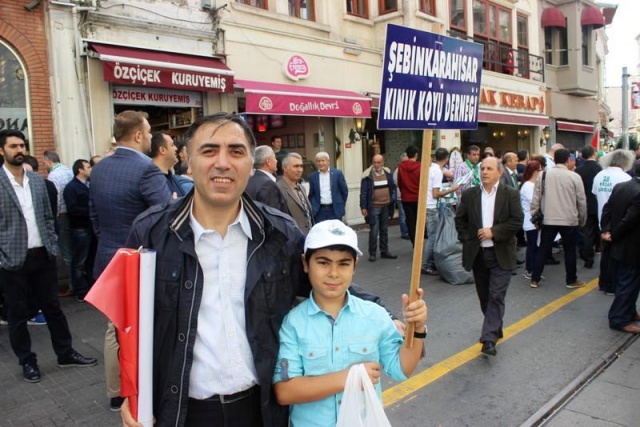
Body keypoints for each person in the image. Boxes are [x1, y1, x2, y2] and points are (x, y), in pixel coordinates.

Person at [120, 113, 415, 427]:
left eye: (236, 151)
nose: (222, 162)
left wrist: (386, 312)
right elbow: (127, 323)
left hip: (260, 410)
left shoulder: (279, 232)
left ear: (250, 164)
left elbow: (323, 277)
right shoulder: (151, 232)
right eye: (208, 151)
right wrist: (129, 392)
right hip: (182, 410)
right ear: (188, 162)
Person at [272, 220, 427, 426]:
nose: (334, 273)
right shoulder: (293, 323)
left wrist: (417, 330)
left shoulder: (375, 316)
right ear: (305, 263)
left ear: (354, 265)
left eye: (343, 263)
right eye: (323, 262)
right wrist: (351, 377)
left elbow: (402, 368)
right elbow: (285, 390)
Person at [90, 110, 173, 411]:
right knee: (145, 326)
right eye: (149, 132)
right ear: (138, 135)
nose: (151, 137)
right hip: (140, 261)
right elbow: (166, 216)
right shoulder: (147, 169)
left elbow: (94, 217)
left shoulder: (99, 167)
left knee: (115, 326)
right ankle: (140, 389)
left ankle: (116, 392)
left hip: (108, 257)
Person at [0, 129, 97, 384]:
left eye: (22, 145)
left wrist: (52, 245)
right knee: (18, 314)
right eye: (13, 146)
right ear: (2, 151)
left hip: (42, 256)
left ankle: (65, 353)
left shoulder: (38, 182)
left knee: (53, 308)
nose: (19, 150)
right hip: (12, 260)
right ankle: (27, 361)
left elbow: (47, 217)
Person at [455, 157, 523, 356]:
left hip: (501, 253)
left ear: (499, 173)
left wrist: (494, 231)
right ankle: (495, 327)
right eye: (482, 168)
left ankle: (488, 338)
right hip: (478, 255)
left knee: (496, 295)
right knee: (485, 296)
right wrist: (468, 239)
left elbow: (516, 221)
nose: (484, 172)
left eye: (489, 168)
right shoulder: (470, 195)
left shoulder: (510, 194)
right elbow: (460, 220)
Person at [529, 149, 587, 289]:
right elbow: (581, 200)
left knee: (543, 248)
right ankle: (571, 280)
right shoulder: (574, 177)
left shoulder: (543, 175)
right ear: (568, 160)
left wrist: (534, 215)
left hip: (548, 218)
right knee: (570, 250)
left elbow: (536, 198)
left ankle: (535, 279)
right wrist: (582, 218)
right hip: (569, 219)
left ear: (554, 160)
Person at [601, 162, 640, 334]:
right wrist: (613, 234)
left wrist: (607, 230)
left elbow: (606, 210)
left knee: (630, 281)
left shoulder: (621, 186)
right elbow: (630, 220)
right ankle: (619, 318)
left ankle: (629, 311)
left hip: (620, 243)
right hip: (631, 245)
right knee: (628, 282)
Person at [592, 149, 634, 294]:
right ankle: (611, 285)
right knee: (616, 257)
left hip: (602, 220)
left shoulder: (599, 175)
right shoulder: (625, 178)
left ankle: (603, 282)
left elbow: (595, 195)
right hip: (618, 223)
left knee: (605, 254)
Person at [422, 148, 459, 275]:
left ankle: (429, 263)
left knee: (431, 236)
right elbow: (436, 193)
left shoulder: (430, 167)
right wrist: (452, 189)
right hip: (432, 207)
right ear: (447, 159)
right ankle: (427, 264)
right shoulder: (437, 171)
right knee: (433, 237)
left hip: (427, 205)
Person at [43, 150, 74, 296]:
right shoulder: (68, 171)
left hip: (61, 215)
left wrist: (53, 218)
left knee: (66, 251)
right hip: (71, 214)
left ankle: (71, 284)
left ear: (49, 161)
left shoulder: (53, 175)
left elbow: (56, 199)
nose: (44, 165)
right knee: (71, 249)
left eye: (44, 162)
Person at [62, 159, 94, 301]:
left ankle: (90, 287)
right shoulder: (71, 187)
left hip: (90, 227)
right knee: (80, 260)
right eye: (88, 167)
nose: (91, 169)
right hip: (80, 228)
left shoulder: (89, 185)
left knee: (90, 259)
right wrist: (91, 210)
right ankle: (81, 290)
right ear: (80, 170)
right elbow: (72, 209)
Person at [359, 154, 397, 262]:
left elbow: (393, 188)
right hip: (373, 207)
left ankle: (384, 251)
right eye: (374, 162)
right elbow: (363, 193)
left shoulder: (388, 174)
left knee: (384, 230)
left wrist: (392, 199)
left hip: (386, 206)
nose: (376, 165)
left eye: (378, 162)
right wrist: (363, 207)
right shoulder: (367, 176)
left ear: (383, 163)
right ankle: (372, 253)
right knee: (374, 231)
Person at [575, 145, 602, 269]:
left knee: (587, 232)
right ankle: (599, 248)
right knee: (600, 228)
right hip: (599, 203)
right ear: (593, 154)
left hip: (585, 204)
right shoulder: (600, 168)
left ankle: (588, 259)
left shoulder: (579, 170)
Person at [277, 152, 314, 234]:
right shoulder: (278, 189)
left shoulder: (301, 188)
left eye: (301, 166)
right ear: (285, 168)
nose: (300, 170)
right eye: (296, 166)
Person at [246, 145, 289, 213]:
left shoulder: (249, 180)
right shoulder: (267, 184)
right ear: (268, 161)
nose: (276, 161)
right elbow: (273, 216)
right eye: (274, 158)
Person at [308, 151, 348, 223]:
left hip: (334, 210)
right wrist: (313, 207)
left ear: (328, 161)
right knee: (321, 232)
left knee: (335, 232)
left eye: (323, 160)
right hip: (319, 211)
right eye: (318, 161)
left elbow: (344, 191)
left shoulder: (337, 174)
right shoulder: (312, 176)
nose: (321, 163)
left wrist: (340, 204)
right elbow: (311, 194)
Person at [519, 160, 543, 279]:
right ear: (534, 171)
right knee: (532, 245)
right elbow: (534, 201)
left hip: (536, 219)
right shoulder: (527, 185)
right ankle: (529, 269)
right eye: (539, 169)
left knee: (536, 245)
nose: (541, 172)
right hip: (530, 220)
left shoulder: (535, 184)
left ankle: (534, 269)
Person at [397, 145, 422, 246]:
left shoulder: (401, 167)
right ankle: (419, 243)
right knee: (419, 221)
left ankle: (414, 242)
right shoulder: (420, 166)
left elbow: (399, 182)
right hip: (418, 197)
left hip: (406, 197)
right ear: (416, 154)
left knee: (410, 221)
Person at [150, 132, 185, 197]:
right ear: (162, 150)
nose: (176, 148)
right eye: (172, 145)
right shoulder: (152, 180)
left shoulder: (171, 177)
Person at [393, 152, 410, 240]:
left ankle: (408, 231)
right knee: (403, 215)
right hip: (400, 196)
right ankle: (404, 232)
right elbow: (396, 182)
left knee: (407, 214)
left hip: (408, 195)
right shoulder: (398, 170)